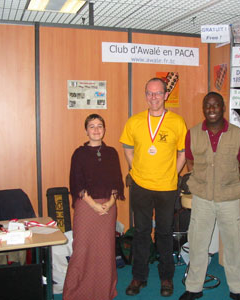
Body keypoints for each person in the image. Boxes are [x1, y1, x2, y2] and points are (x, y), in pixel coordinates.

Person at [179, 92, 240, 300]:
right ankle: (194, 287)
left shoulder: (237, 134)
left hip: (229, 199)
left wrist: (234, 182)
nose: (211, 109)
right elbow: (191, 161)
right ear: (203, 109)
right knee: (197, 243)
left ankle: (237, 290)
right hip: (202, 198)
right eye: (207, 106)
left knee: (232, 244)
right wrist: (199, 178)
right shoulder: (192, 133)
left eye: (216, 105)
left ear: (223, 107)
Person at [120, 78, 187, 297]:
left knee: (164, 233)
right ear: (145, 95)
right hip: (140, 186)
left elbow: (183, 153)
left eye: (158, 93)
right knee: (141, 232)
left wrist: (173, 173)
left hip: (167, 187)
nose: (154, 97)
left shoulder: (177, 122)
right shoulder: (134, 121)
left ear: (166, 95)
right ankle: (139, 277)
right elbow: (127, 149)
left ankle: (166, 278)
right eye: (149, 93)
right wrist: (135, 170)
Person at [63, 114, 125, 300]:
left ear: (104, 129)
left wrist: (111, 202)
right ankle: (76, 293)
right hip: (86, 207)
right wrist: (93, 205)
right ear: (86, 130)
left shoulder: (112, 153)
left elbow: (117, 181)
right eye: (92, 126)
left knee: (105, 250)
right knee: (82, 249)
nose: (96, 130)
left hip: (108, 206)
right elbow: (76, 183)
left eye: (100, 126)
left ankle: (102, 292)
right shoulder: (79, 154)